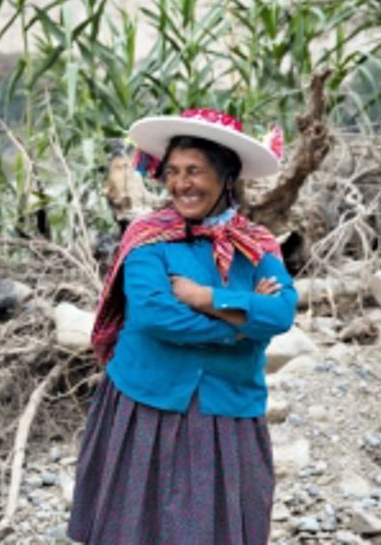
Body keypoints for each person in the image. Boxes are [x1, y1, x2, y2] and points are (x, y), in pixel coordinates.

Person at [67, 109, 297, 544]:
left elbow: (283, 313)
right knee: (132, 526)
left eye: (195, 171)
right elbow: (155, 317)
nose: (180, 183)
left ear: (226, 176)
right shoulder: (149, 238)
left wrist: (202, 297)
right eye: (172, 172)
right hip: (145, 400)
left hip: (227, 407)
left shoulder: (256, 243)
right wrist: (243, 323)